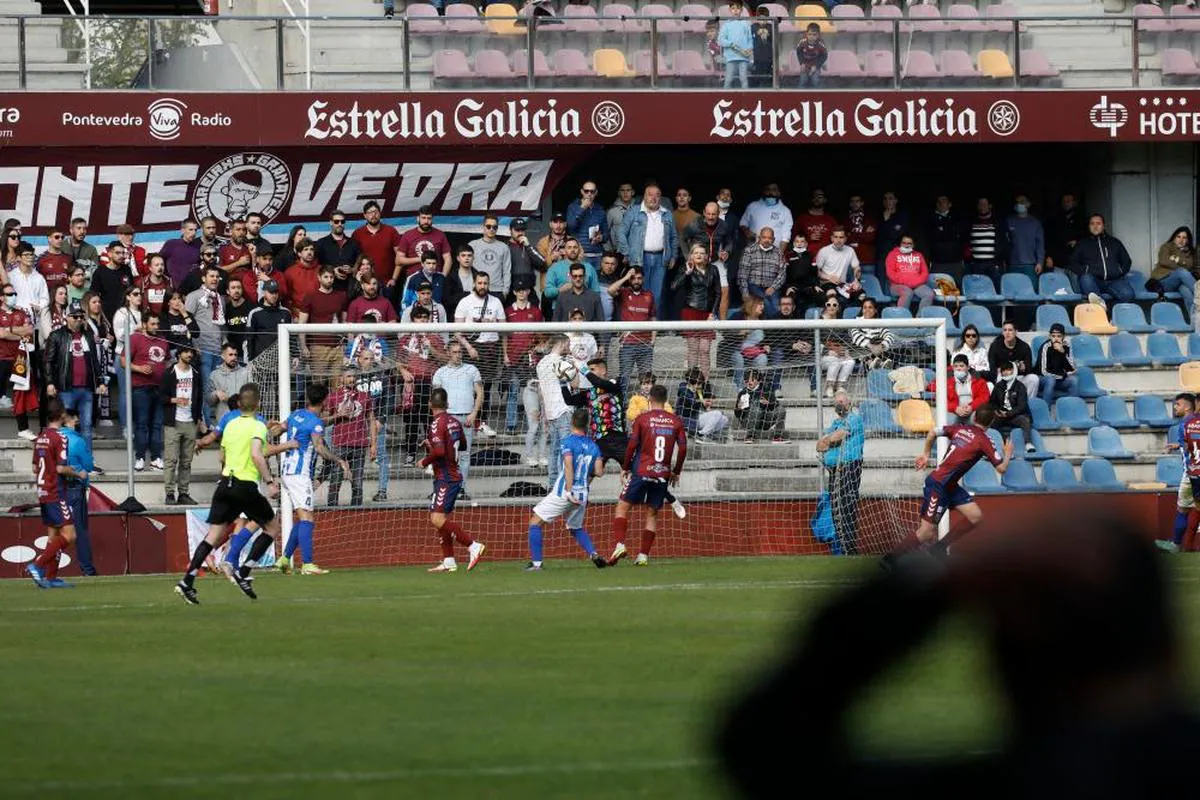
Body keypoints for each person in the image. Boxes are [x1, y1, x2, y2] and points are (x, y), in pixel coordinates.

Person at [719, 511, 1200, 799]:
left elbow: (763, 749)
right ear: (1172, 646)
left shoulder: (989, 790)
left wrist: (926, 589)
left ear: (1000, 666)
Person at [174, 384, 286, 604]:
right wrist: (270, 482)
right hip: (245, 485)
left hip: (225, 483)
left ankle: (187, 581)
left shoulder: (231, 424)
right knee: (272, 527)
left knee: (213, 536)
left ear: (239, 404)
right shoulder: (258, 425)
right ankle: (244, 571)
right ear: (258, 404)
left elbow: (222, 456)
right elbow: (256, 454)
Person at [884, 404, 1012, 569]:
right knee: (926, 532)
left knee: (975, 516)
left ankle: (939, 547)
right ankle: (890, 558)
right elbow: (1001, 469)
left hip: (950, 486)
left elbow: (933, 432)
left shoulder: (959, 428)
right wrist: (1007, 453)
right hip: (938, 485)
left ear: (974, 418)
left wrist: (926, 454)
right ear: (990, 423)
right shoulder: (984, 440)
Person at [608, 384, 688, 567]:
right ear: (666, 400)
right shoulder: (675, 421)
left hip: (642, 471)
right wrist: (676, 471)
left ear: (649, 399)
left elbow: (632, 445)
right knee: (652, 514)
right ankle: (643, 556)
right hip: (662, 474)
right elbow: (683, 448)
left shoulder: (642, 419)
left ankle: (620, 545)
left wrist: (625, 467)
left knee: (622, 507)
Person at [525, 406, 607, 571]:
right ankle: (594, 554)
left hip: (565, 492)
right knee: (575, 527)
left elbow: (568, 466)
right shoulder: (593, 446)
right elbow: (599, 472)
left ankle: (536, 564)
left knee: (535, 522)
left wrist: (569, 490)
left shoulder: (568, 442)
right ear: (587, 424)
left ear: (572, 422)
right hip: (582, 493)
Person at [278, 382, 347, 575]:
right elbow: (318, 447)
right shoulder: (314, 423)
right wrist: (338, 459)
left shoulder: (296, 415)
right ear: (325, 401)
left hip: (288, 471)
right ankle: (307, 564)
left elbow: (279, 429)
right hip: (300, 474)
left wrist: (337, 418)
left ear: (308, 398)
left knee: (302, 517)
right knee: (307, 518)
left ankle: (284, 559)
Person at [421, 387, 487, 574]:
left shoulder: (436, 424)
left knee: (436, 518)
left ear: (430, 405)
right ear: (447, 404)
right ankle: (449, 560)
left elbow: (441, 451)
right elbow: (462, 445)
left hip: (446, 478)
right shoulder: (455, 422)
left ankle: (473, 545)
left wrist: (425, 460)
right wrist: (434, 446)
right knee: (440, 518)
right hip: (452, 475)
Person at [25, 399, 87, 589]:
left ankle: (50, 578)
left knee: (54, 537)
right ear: (61, 415)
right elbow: (60, 468)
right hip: (56, 492)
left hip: (43, 492)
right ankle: (37, 565)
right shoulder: (60, 438)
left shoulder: (41, 437)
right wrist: (78, 472)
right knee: (70, 535)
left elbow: (35, 467)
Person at [45, 301, 105, 445]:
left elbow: (94, 362)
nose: (78, 319)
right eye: (75, 316)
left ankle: (86, 461)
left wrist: (101, 381)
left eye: (81, 317)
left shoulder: (88, 336)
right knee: (66, 427)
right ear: (66, 317)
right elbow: (48, 361)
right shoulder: (56, 335)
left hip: (87, 388)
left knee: (87, 426)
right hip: (66, 388)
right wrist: (50, 382)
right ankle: (66, 460)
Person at [432, 341, 484, 500]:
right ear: (448, 352)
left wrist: (474, 413)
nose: (458, 355)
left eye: (460, 352)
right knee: (443, 454)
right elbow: (436, 398)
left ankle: (461, 489)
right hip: (448, 419)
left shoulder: (471, 369)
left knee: (464, 455)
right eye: (454, 352)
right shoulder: (440, 372)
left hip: (466, 417)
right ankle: (441, 487)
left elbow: (480, 393)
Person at [815, 390, 864, 554]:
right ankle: (840, 547)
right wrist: (828, 440)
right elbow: (819, 446)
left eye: (842, 401)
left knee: (847, 508)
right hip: (834, 470)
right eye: (837, 402)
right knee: (836, 508)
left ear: (848, 403)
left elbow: (840, 435)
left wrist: (828, 440)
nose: (839, 404)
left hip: (849, 468)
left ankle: (849, 548)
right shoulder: (834, 423)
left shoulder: (854, 418)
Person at [160, 345, 206, 505]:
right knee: (171, 460)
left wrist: (199, 418)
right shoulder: (169, 373)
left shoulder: (196, 373)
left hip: (190, 422)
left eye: (191, 352)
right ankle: (170, 493)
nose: (189, 355)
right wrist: (174, 400)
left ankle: (183, 493)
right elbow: (160, 396)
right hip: (173, 422)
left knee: (187, 462)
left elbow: (200, 397)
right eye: (186, 352)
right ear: (179, 354)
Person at [323, 366, 376, 508]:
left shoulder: (365, 396)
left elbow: (371, 420)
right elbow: (324, 420)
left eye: (353, 376)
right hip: (339, 443)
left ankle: (356, 513)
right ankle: (332, 510)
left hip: (359, 444)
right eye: (348, 376)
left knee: (357, 483)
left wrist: (373, 444)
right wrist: (338, 415)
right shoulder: (333, 396)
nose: (352, 379)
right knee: (335, 481)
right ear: (341, 378)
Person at [124, 315, 169, 471]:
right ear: (144, 324)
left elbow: (167, 361)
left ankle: (156, 458)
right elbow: (123, 361)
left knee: (157, 425)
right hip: (141, 387)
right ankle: (140, 457)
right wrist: (140, 368)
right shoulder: (135, 338)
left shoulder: (163, 340)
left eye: (158, 323)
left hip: (160, 388)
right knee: (142, 424)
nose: (156, 326)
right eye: (152, 323)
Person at [674, 243, 723, 379]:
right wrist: (687, 273)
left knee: (705, 350)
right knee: (693, 349)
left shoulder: (713, 269)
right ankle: (692, 382)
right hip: (691, 312)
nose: (699, 255)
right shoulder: (686, 268)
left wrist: (713, 313)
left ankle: (705, 383)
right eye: (696, 253)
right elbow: (674, 286)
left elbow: (718, 293)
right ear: (691, 256)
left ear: (707, 256)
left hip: (708, 314)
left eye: (702, 253)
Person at [60, 406, 96, 576]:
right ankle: (87, 569)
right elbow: (88, 466)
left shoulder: (53, 437)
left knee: (57, 530)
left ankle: (47, 568)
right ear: (71, 420)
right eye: (76, 418)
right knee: (80, 530)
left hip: (57, 489)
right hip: (75, 487)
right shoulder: (77, 441)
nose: (78, 421)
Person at [536, 334, 575, 488]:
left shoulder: (541, 363)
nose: (569, 347)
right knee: (565, 451)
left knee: (553, 451)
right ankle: (565, 484)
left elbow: (541, 390)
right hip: (563, 409)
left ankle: (552, 485)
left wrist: (544, 411)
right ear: (562, 343)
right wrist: (575, 368)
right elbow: (576, 384)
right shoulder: (561, 363)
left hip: (550, 411)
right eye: (568, 344)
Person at [1070, 214, 1133, 307]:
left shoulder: (1114, 242)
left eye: (1098, 223)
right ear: (1089, 226)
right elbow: (1073, 263)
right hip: (1094, 280)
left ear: (1103, 226)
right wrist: (1086, 270)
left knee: (1129, 295)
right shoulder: (1082, 244)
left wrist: (1119, 271)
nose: (1095, 226)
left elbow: (1127, 261)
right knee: (1086, 278)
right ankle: (1100, 306)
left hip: (1114, 280)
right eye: (1092, 224)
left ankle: (1108, 310)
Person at [990, 360, 1035, 452]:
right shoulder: (998, 386)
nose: (1006, 372)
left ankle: (1028, 443)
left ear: (1013, 371)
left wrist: (1008, 413)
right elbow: (992, 403)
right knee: (990, 421)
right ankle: (999, 444)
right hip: (1001, 415)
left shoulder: (1020, 386)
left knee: (1024, 420)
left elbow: (1022, 406)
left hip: (1015, 415)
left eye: (1008, 370)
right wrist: (998, 411)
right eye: (1003, 371)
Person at [1150, 226, 1196, 314]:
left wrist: (1176, 259)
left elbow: (1190, 266)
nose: (1181, 240)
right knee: (1182, 272)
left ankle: (1195, 322)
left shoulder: (1189, 251)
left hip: (1180, 283)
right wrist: (1182, 262)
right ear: (1174, 237)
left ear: (1188, 240)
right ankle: (1199, 292)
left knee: (1187, 292)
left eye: (1184, 237)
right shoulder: (1166, 247)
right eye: (1178, 236)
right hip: (1164, 281)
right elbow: (1165, 261)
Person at [933, 353, 990, 424]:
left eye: (961, 366)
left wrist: (971, 407)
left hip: (972, 412)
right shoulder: (946, 381)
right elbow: (940, 398)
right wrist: (955, 408)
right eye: (955, 366)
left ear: (968, 367)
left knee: (984, 416)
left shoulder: (979, 380)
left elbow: (984, 397)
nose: (958, 368)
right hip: (953, 413)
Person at [676, 366, 730, 440]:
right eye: (699, 383)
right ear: (692, 382)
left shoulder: (697, 391)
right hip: (687, 421)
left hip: (696, 418)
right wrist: (703, 403)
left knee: (724, 419)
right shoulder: (684, 390)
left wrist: (705, 404)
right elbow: (691, 403)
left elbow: (698, 404)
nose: (700, 386)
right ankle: (700, 435)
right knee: (717, 414)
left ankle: (706, 434)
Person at [986, 320, 1038, 395]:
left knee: (1034, 379)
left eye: (1010, 330)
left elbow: (1029, 368)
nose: (1007, 333)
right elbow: (992, 368)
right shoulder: (995, 346)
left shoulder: (1024, 346)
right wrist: (1001, 371)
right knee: (999, 378)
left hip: (1019, 376)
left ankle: (1028, 403)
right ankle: (1004, 403)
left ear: (1016, 331)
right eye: (1005, 330)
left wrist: (1024, 367)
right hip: (1003, 377)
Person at [885, 235, 933, 312]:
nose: (906, 245)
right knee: (907, 292)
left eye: (909, 243)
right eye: (904, 243)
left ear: (913, 245)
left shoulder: (919, 255)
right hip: (897, 285)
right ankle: (902, 319)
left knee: (929, 294)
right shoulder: (892, 254)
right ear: (900, 243)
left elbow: (925, 273)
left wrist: (915, 283)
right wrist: (907, 283)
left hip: (917, 285)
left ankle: (921, 320)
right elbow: (890, 273)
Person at [735, 367, 784, 442]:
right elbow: (738, 415)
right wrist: (739, 408)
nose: (749, 382)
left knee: (781, 410)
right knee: (755, 408)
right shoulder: (743, 393)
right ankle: (750, 436)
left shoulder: (766, 389)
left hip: (765, 420)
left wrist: (769, 403)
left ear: (758, 380)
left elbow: (775, 405)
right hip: (748, 421)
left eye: (752, 380)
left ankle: (777, 436)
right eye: (746, 380)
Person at [1036, 322, 1078, 407]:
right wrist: (1063, 375)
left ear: (1063, 336)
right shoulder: (1045, 347)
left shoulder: (1067, 346)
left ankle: (1071, 411)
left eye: (1059, 336)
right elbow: (1043, 372)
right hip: (1043, 379)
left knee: (1074, 380)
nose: (1056, 339)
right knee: (1050, 380)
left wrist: (1062, 352)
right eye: (1053, 336)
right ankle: (1046, 411)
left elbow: (1072, 369)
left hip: (1059, 379)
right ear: (1049, 336)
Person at [718, 0, 753, 89]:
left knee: (743, 79)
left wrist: (749, 49)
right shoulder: (726, 25)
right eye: (733, 8)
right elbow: (720, 40)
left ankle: (746, 99)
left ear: (741, 10)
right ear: (730, 10)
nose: (736, 10)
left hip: (743, 57)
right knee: (728, 79)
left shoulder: (745, 24)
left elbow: (750, 39)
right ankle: (725, 97)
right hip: (731, 57)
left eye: (738, 8)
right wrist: (731, 44)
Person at [795, 22, 828, 87]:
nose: (811, 37)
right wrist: (802, 63)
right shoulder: (802, 42)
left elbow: (824, 56)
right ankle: (800, 95)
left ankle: (818, 95)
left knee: (815, 81)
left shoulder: (820, 44)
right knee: (803, 81)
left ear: (818, 35)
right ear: (806, 34)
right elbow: (798, 52)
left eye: (814, 35)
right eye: (810, 34)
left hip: (815, 66)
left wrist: (816, 66)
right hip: (805, 65)